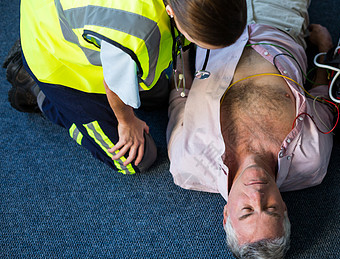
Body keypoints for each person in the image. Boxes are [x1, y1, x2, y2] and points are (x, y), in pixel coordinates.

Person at [167, 0, 335, 259]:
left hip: (213, 25)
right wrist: (325, 50)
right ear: (284, 209)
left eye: (246, 211)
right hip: (279, 26)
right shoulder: (312, 158)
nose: (257, 195)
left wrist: (182, 38)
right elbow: (321, 96)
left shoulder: (187, 163)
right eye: (270, 209)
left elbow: (179, 96)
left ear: (226, 216)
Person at [3, 0, 246, 174]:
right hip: (53, 53)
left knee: (159, 95)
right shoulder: (136, 36)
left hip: (66, 13)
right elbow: (115, 85)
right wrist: (127, 122)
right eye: (200, 41)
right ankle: (37, 89)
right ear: (170, 11)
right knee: (137, 159)